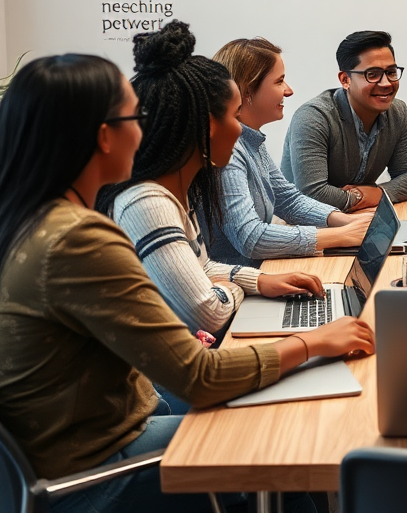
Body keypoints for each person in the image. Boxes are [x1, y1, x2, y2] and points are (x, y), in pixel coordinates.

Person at [0, 53, 374, 513]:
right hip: (95, 473)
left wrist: (257, 289)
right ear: (103, 136)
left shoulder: (37, 220)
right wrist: (313, 341)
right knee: (292, 440)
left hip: (90, 444)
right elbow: (200, 377)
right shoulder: (80, 238)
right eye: (135, 118)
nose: (146, 130)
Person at [99, 22, 328, 337]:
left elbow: (202, 268)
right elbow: (209, 313)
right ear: (208, 126)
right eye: (234, 116)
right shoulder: (148, 204)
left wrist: (260, 281)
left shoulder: (176, 191)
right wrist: (237, 289)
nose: (239, 129)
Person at [202, 37, 372, 267]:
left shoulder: (250, 140)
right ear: (247, 90)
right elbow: (250, 239)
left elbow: (288, 200)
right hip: (238, 284)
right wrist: (341, 235)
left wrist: (347, 222)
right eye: (279, 81)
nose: (288, 90)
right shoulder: (229, 151)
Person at [281, 30, 407, 212]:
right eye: (372, 74)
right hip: (299, 222)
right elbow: (312, 194)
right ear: (345, 80)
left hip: (358, 215)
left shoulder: (397, 112)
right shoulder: (313, 117)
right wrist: (360, 196)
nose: (386, 83)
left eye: (391, 72)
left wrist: (378, 193)